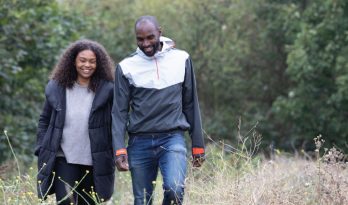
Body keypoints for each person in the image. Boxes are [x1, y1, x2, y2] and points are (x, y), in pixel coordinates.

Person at [112, 16, 205, 205]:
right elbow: (119, 112)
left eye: (150, 37)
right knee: (143, 201)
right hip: (139, 142)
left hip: (172, 139)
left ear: (160, 33)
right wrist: (119, 149)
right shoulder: (126, 67)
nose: (145, 44)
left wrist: (198, 144)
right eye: (140, 39)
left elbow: (190, 104)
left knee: (175, 190)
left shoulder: (182, 59)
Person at [35, 39, 115, 205]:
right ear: (73, 62)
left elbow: (117, 122)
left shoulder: (108, 89)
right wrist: (42, 147)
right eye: (82, 60)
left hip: (94, 160)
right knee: (65, 202)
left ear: (98, 64)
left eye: (92, 61)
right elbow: (44, 120)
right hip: (64, 157)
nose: (87, 65)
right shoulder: (57, 87)